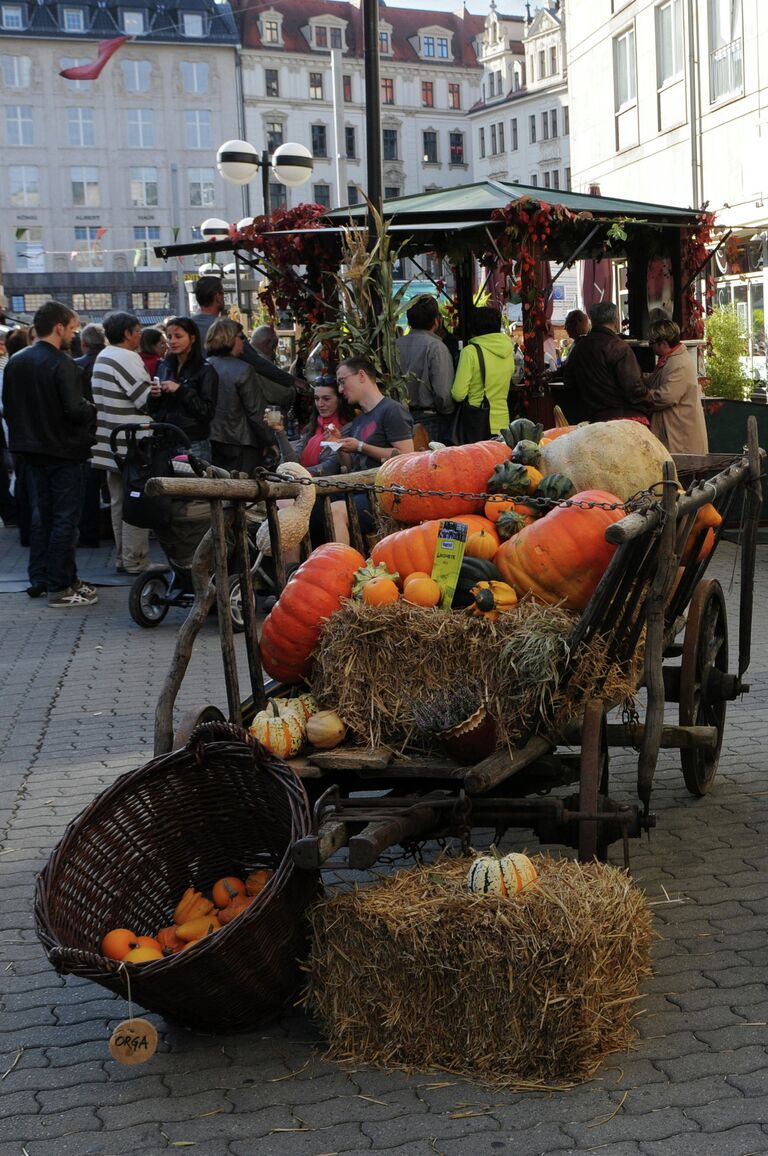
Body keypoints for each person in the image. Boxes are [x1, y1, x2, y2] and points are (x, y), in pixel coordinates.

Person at [2, 301, 98, 607]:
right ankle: (60, 585)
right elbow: (74, 408)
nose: (74, 334)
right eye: (71, 328)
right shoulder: (63, 364)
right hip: (64, 450)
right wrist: (92, 409)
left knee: (42, 516)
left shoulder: (16, 361)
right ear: (59, 328)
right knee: (64, 519)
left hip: (30, 450)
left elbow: (8, 406)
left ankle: (43, 578)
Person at [326, 356, 414, 544]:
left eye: (342, 382)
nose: (340, 390)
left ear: (361, 375)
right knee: (310, 505)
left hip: (382, 496)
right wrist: (339, 446)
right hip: (357, 489)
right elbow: (350, 466)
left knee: (336, 511)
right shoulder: (359, 420)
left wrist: (360, 446)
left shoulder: (392, 410)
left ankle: (340, 567)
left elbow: (407, 457)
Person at [90, 311, 151, 574]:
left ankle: (122, 557)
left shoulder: (102, 356)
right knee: (137, 501)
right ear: (127, 333)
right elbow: (144, 398)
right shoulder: (127, 357)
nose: (139, 335)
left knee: (118, 502)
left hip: (108, 443)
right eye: (137, 330)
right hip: (131, 443)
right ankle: (136, 560)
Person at [204, 319, 279, 475]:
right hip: (241, 441)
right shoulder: (243, 370)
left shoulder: (205, 365)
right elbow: (256, 411)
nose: (243, 342)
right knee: (241, 491)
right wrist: (270, 441)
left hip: (212, 439)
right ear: (229, 339)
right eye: (240, 337)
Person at [561, 301, 648, 423]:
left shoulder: (580, 348)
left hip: (593, 418)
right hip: (624, 419)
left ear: (592, 320)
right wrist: (650, 399)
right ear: (616, 320)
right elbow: (634, 387)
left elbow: (569, 382)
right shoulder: (619, 347)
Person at [149, 317, 217, 459]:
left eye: (178, 336)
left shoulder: (205, 370)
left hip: (192, 442)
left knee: (192, 481)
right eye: (169, 337)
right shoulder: (164, 366)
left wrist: (180, 390)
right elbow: (154, 410)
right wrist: (154, 396)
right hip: (165, 441)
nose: (172, 341)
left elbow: (206, 412)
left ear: (192, 338)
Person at [396, 296, 455, 443]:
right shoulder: (436, 347)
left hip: (399, 416)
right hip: (430, 419)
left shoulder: (395, 345)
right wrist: (448, 412)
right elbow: (442, 394)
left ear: (409, 321)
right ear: (436, 321)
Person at [645, 318, 708, 454]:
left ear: (662, 343)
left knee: (677, 475)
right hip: (676, 435)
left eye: (652, 343)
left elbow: (666, 397)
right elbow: (655, 381)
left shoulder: (678, 363)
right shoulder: (671, 359)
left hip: (680, 440)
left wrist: (641, 395)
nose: (651, 347)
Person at [451, 306, 515, 440]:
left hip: (478, 423)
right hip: (503, 423)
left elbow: (458, 394)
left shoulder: (470, 352)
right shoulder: (509, 350)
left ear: (474, 328)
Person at [75, 324, 107, 548]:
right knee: (114, 487)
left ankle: (89, 533)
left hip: (87, 434)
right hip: (112, 430)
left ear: (83, 343)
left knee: (89, 488)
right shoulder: (108, 363)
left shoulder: (77, 366)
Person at [286, 374, 353, 476]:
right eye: (316, 398)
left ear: (339, 400)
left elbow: (331, 466)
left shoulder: (348, 428)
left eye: (326, 399)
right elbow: (292, 461)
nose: (320, 404)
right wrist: (279, 432)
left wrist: (297, 474)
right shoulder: (312, 426)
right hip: (302, 483)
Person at [239, 323, 302, 405]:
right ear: (267, 343)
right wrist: (295, 388)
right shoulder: (260, 361)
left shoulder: (250, 357)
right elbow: (282, 395)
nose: (274, 353)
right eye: (273, 348)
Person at [191, 275, 226, 345]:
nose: (224, 297)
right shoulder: (227, 328)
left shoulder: (186, 326)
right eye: (222, 293)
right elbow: (251, 354)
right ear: (218, 297)